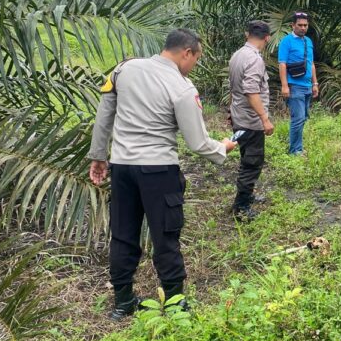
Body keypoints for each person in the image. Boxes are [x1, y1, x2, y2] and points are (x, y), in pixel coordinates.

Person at [87, 28, 237, 320]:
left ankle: (122, 302)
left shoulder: (124, 70)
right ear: (186, 53)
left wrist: (98, 156)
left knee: (123, 233)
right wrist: (223, 148)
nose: (195, 65)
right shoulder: (182, 87)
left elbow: (105, 113)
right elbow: (197, 143)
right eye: (196, 58)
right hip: (159, 170)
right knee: (165, 235)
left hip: (122, 168)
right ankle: (175, 302)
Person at [228, 20, 274, 221]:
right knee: (252, 163)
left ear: (247, 34)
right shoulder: (254, 60)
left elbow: (233, 87)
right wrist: (265, 118)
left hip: (240, 116)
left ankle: (247, 195)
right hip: (251, 120)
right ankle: (241, 207)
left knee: (247, 159)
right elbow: (251, 91)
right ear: (267, 38)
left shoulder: (237, 55)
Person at [278, 11, 318, 155]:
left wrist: (315, 83)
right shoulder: (286, 41)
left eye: (305, 25)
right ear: (292, 25)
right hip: (294, 85)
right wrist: (284, 85)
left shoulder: (308, 41)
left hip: (307, 85)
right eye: (300, 25)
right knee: (298, 118)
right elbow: (282, 64)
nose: (303, 28)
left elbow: (311, 63)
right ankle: (295, 150)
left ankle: (297, 146)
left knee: (304, 117)